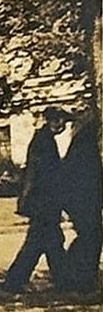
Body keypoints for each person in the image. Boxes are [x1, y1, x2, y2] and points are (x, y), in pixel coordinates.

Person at [4, 106, 70, 293]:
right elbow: (40, 174)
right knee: (39, 242)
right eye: (61, 121)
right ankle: (15, 280)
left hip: (44, 201)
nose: (63, 126)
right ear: (52, 121)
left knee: (51, 241)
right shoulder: (44, 142)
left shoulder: (44, 139)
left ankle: (63, 280)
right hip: (43, 201)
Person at [61, 113, 101, 294]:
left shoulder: (81, 144)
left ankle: (79, 277)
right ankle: (81, 280)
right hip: (83, 199)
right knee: (91, 236)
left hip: (82, 199)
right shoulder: (87, 146)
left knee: (90, 236)